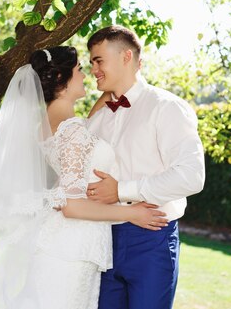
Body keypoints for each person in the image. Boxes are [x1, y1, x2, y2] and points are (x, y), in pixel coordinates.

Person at [0, 46, 168, 309]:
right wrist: (132, 214)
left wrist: (119, 76)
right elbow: (72, 205)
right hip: (70, 248)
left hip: (67, 243)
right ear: (62, 79)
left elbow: (98, 113)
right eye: (80, 70)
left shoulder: (52, 122)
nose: (87, 75)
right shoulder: (72, 131)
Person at [85, 25, 206, 309]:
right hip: (101, 240)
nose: (93, 70)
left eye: (98, 60)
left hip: (151, 238)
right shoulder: (98, 119)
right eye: (91, 63)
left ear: (126, 57)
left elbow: (192, 176)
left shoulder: (167, 107)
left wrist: (122, 191)